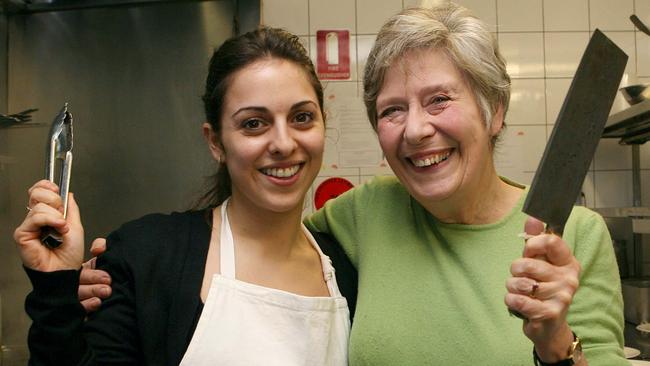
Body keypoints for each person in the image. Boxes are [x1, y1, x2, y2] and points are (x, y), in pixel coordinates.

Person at [81, 3, 627, 365]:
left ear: (496, 110)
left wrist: (557, 344)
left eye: (439, 99)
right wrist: (113, 273)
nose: (416, 129)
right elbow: (266, 236)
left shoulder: (572, 236)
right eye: (393, 109)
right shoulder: (364, 215)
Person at [14, 27, 357, 366]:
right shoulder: (146, 254)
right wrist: (55, 289)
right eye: (253, 123)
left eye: (302, 117)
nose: (283, 143)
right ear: (216, 142)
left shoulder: (347, 270)